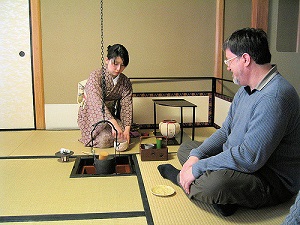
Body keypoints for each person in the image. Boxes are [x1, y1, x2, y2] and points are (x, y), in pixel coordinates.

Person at [158, 28, 300, 216]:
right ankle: (222, 196)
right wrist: (197, 156)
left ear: (246, 59)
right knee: (187, 149)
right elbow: (225, 131)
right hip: (240, 163)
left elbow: (249, 158)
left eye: (229, 61)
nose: (227, 67)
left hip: (268, 178)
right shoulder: (246, 89)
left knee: (215, 184)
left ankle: (181, 178)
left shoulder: (275, 97)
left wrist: (196, 168)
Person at [78, 44, 132, 148]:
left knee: (121, 136)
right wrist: (114, 124)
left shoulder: (125, 81)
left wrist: (127, 130)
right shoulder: (95, 76)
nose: (118, 69)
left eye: (122, 65)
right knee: (105, 140)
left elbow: (127, 106)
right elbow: (96, 103)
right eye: (115, 64)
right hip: (92, 116)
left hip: (110, 115)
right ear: (107, 60)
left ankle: (116, 130)